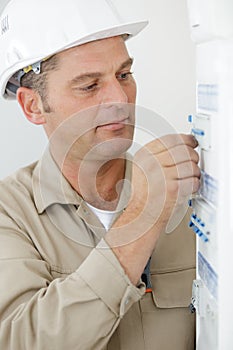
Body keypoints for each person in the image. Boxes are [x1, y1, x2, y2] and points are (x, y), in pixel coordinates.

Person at [0, 0, 200, 349]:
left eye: (124, 75)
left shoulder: (197, 192)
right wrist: (144, 212)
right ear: (33, 106)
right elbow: (21, 340)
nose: (120, 98)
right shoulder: (10, 213)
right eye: (89, 86)